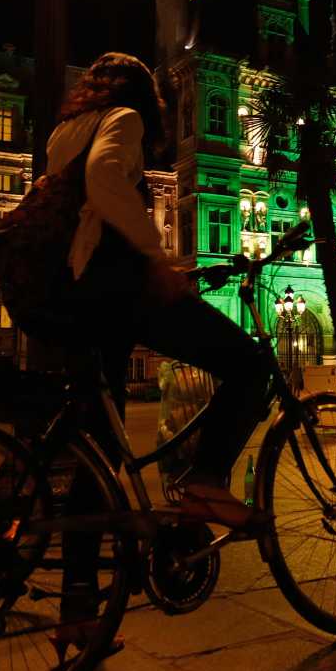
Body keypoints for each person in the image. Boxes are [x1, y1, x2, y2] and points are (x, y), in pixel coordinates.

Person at [45, 52, 270, 529]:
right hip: (119, 284)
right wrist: (155, 256)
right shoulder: (123, 120)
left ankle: (81, 592)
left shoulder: (67, 130)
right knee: (250, 365)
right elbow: (104, 177)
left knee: (100, 445)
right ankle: (205, 482)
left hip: (78, 290)